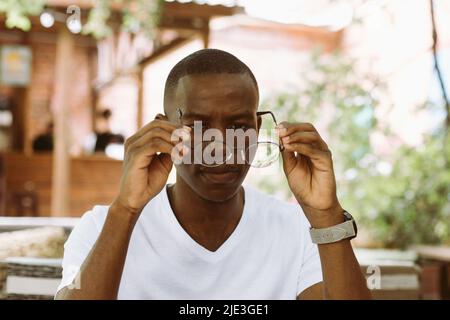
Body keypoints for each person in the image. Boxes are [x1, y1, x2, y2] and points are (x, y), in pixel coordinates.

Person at [55, 49, 370, 300]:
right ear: (163, 131)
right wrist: (125, 210)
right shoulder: (102, 228)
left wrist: (326, 215)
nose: (221, 146)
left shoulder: (298, 231)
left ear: (258, 129)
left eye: (238, 126)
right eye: (197, 126)